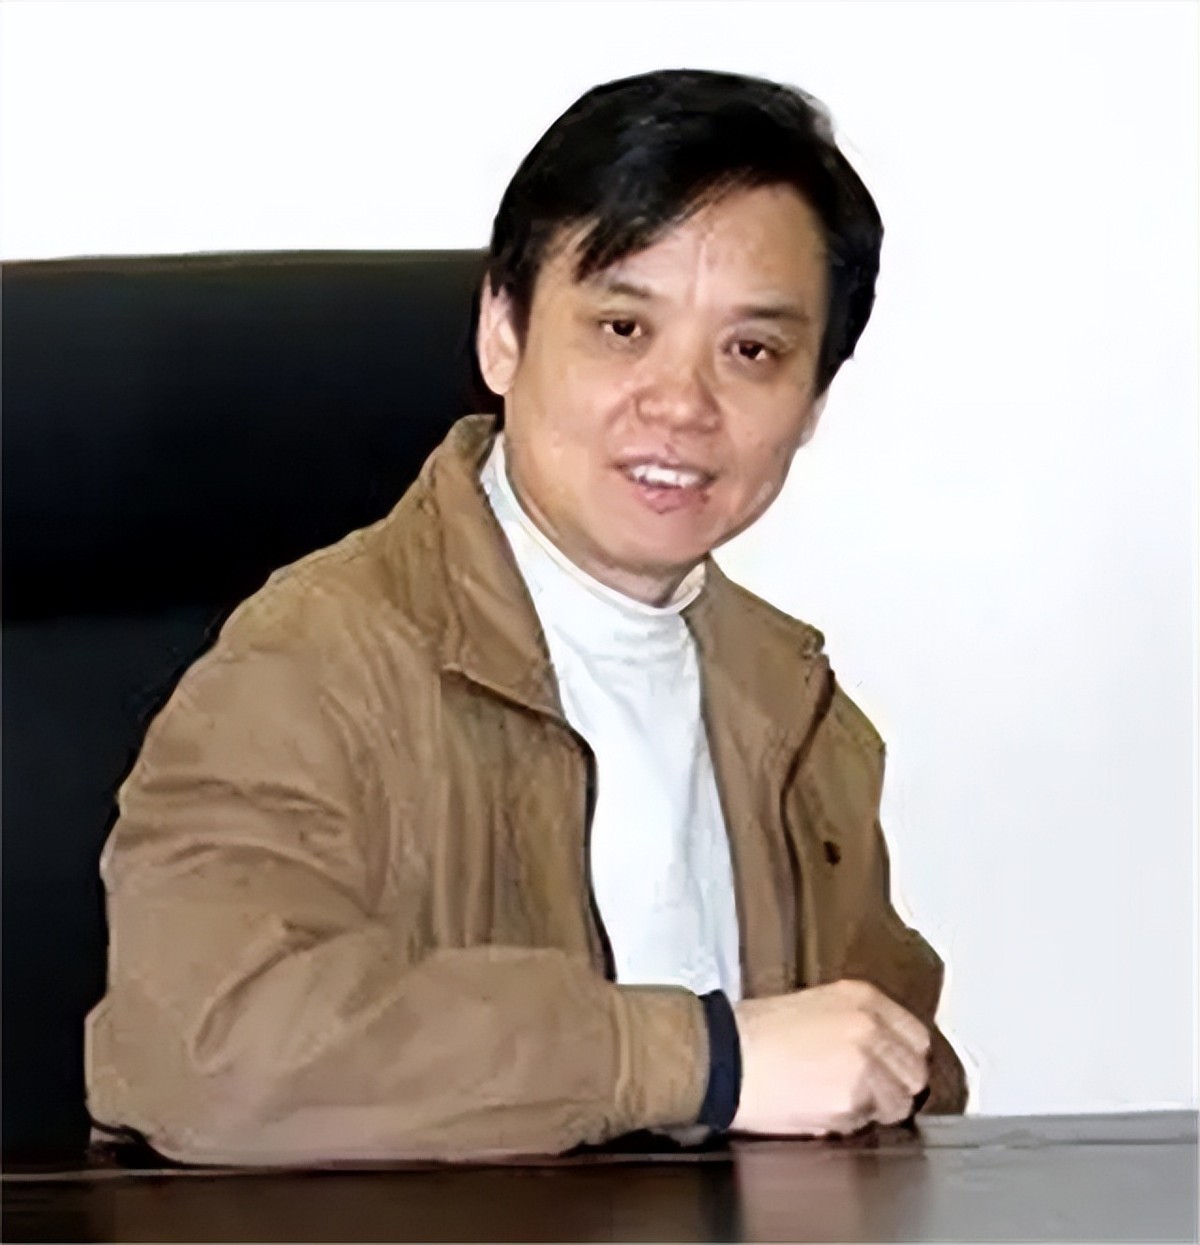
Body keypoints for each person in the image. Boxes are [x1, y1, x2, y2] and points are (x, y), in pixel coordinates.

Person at [85, 67, 968, 1165]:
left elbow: (885, 1066)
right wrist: (701, 1058)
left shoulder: (800, 713)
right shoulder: (309, 663)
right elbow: (204, 1050)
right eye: (622, 327)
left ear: (813, 402)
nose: (682, 404)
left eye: (752, 352)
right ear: (502, 333)